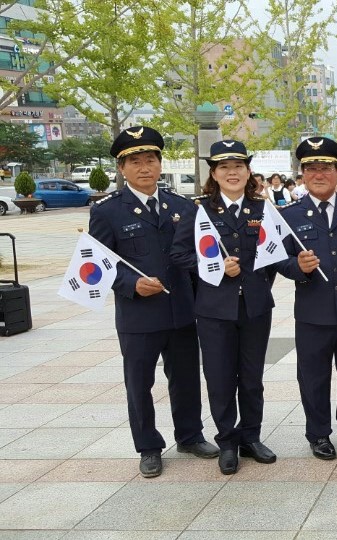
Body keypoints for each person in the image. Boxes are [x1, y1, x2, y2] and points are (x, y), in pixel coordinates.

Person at [89, 126, 218, 478]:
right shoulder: (107, 212)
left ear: (161, 164)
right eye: (135, 162)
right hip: (139, 315)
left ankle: (190, 436)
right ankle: (148, 446)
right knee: (139, 384)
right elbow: (99, 265)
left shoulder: (182, 206)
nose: (144, 167)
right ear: (121, 168)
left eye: (150, 160)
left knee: (186, 378)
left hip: (181, 312)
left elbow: (195, 259)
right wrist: (131, 284)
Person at [170, 140, 278, 475]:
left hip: (255, 307)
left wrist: (259, 285)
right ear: (214, 174)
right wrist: (214, 267)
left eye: (238, 166)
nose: (232, 172)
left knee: (252, 378)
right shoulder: (199, 210)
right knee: (219, 378)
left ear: (248, 172)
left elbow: (275, 256)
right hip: (215, 310)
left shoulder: (263, 209)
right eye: (224, 167)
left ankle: (251, 437)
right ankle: (228, 442)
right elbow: (179, 254)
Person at [275, 136, 337, 460]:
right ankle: (318, 433)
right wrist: (298, 267)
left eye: (326, 168)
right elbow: (277, 259)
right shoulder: (289, 215)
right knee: (313, 377)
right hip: (312, 312)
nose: (319, 174)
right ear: (303, 174)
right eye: (312, 169)